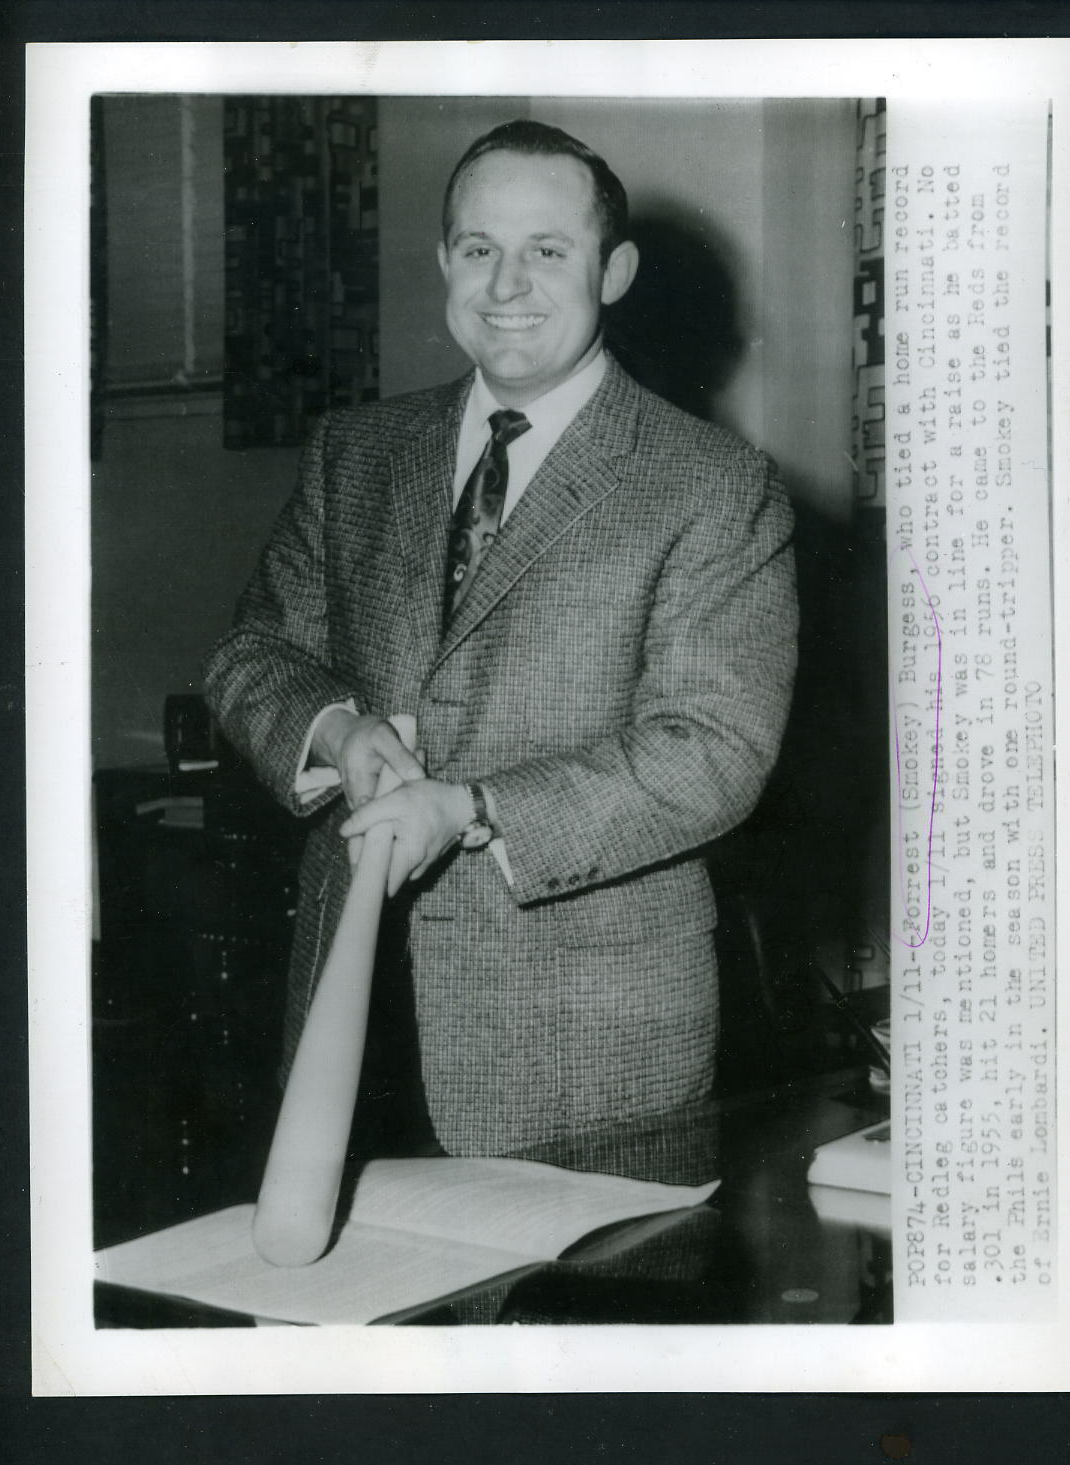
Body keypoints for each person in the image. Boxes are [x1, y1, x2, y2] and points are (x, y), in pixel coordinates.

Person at [204, 119, 798, 1156]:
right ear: (444, 263)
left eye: (548, 251)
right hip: (354, 1016)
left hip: (584, 1047)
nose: (506, 284)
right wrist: (336, 732)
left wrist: (473, 808)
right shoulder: (356, 450)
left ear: (613, 271)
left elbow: (714, 752)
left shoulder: (712, 484)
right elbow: (251, 653)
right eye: (479, 249)